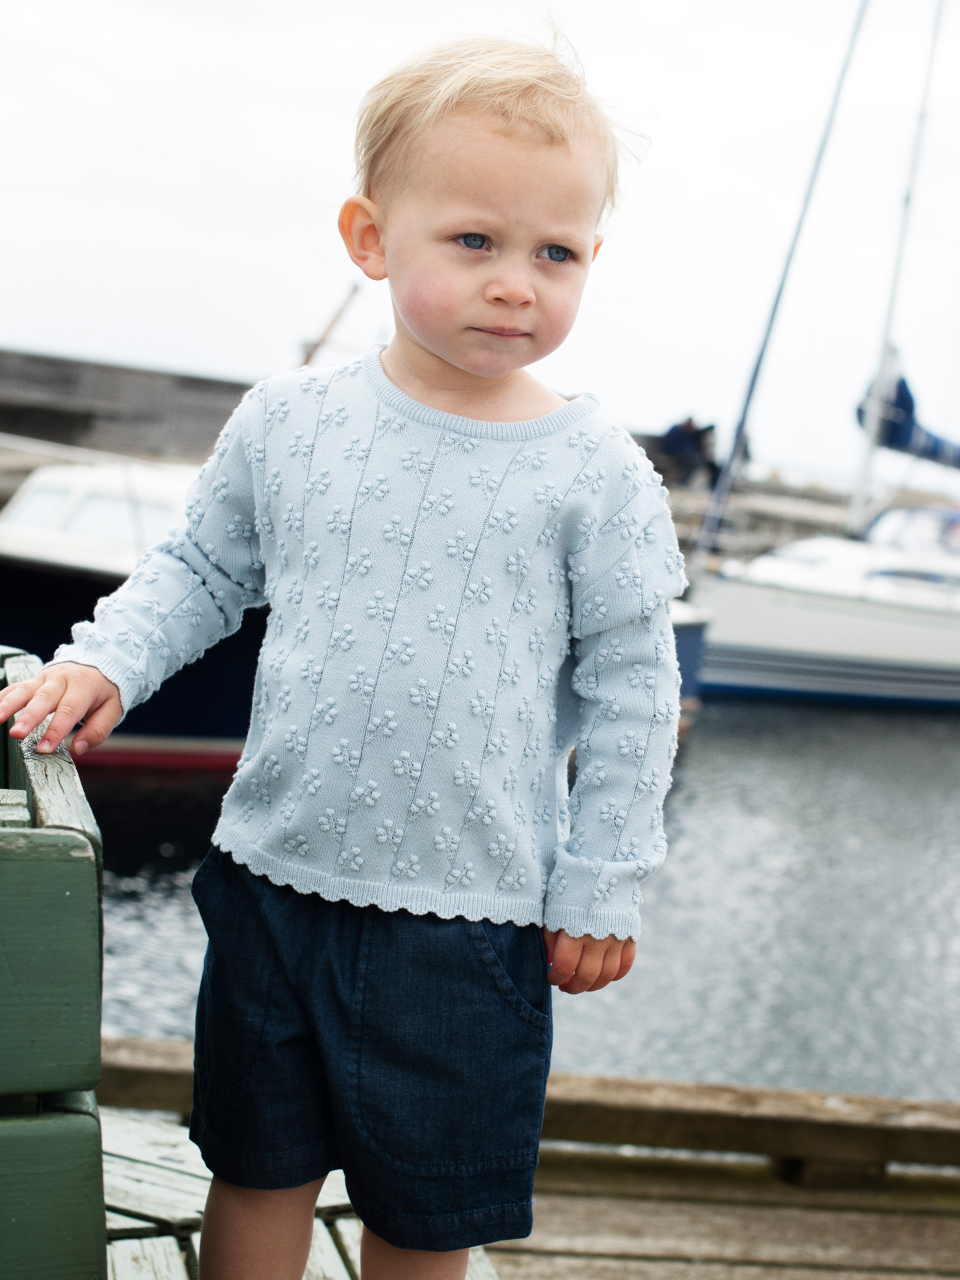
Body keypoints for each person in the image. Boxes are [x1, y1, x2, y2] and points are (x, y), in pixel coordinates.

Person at [0, 36, 685, 1280]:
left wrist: (603, 878)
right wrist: (105, 664)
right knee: (256, 1167)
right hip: (274, 882)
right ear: (371, 238)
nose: (515, 283)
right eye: (473, 241)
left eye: (556, 253)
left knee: (424, 1215)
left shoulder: (597, 472)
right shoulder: (291, 421)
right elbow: (202, 571)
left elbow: (636, 691)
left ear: (592, 257)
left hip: (472, 920)